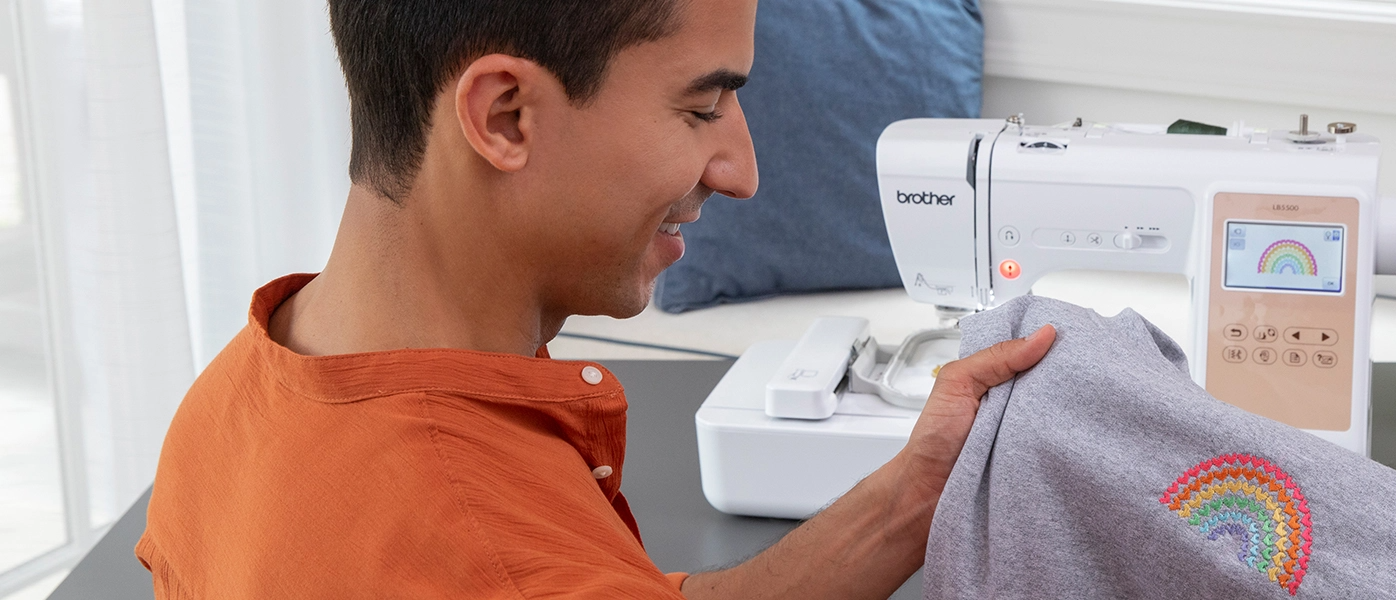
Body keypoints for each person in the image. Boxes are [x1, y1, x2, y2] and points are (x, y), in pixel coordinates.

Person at [137, 1, 1056, 598]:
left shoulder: (230, 405)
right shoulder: (475, 546)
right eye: (702, 109)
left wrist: (913, 496)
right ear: (506, 116)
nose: (742, 172)